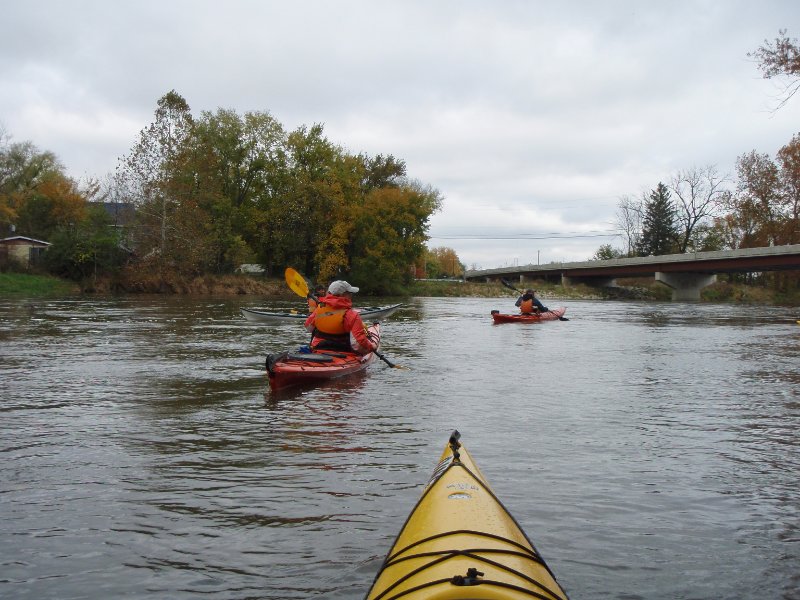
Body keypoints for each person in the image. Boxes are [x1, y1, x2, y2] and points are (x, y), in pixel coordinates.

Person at [304, 280, 379, 354]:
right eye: (349, 293)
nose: (351, 295)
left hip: (318, 347)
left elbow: (308, 327)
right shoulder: (352, 315)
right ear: (342, 295)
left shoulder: (319, 309)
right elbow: (358, 343)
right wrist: (371, 347)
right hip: (344, 351)